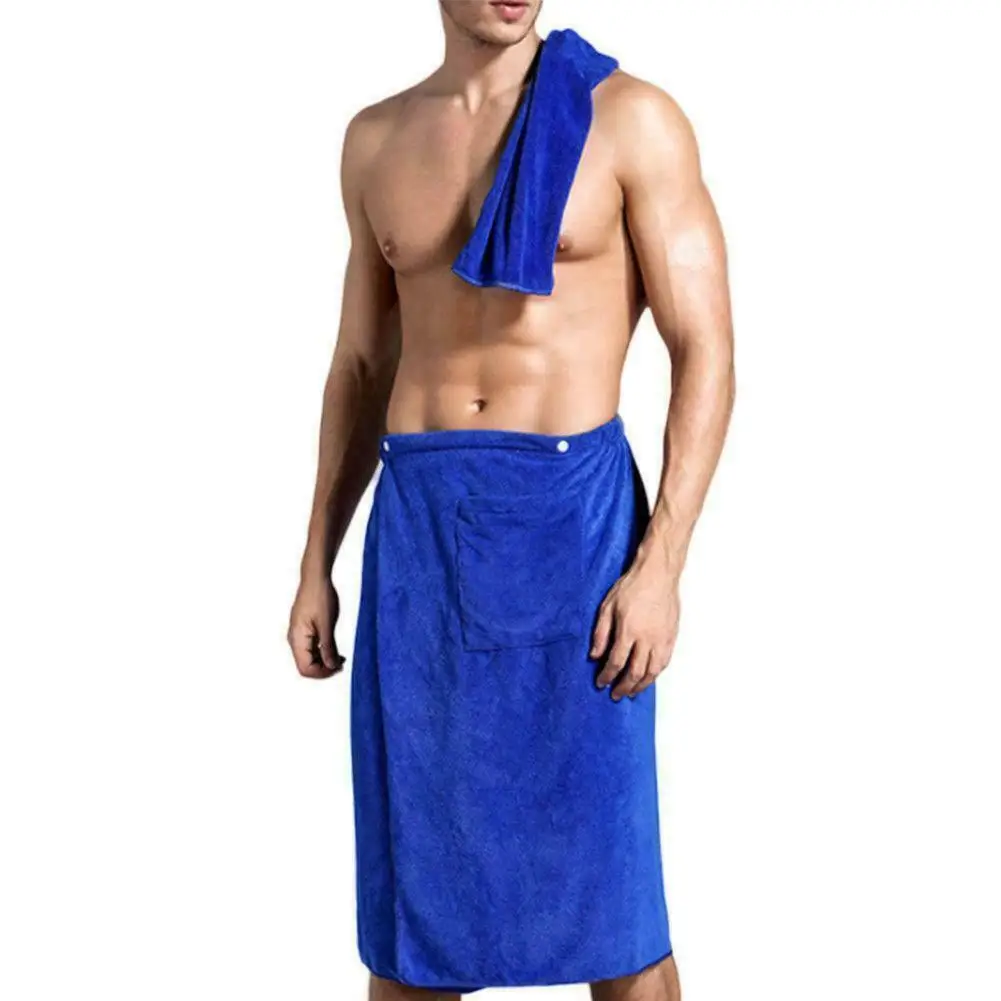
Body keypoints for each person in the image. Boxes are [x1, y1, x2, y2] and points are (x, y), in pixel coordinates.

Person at [287, 2, 735, 998]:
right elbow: (360, 363)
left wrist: (660, 563)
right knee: (416, 915)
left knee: (614, 908)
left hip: (572, 532)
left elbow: (704, 346)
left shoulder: (630, 119)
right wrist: (316, 559)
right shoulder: (376, 140)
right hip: (418, 535)